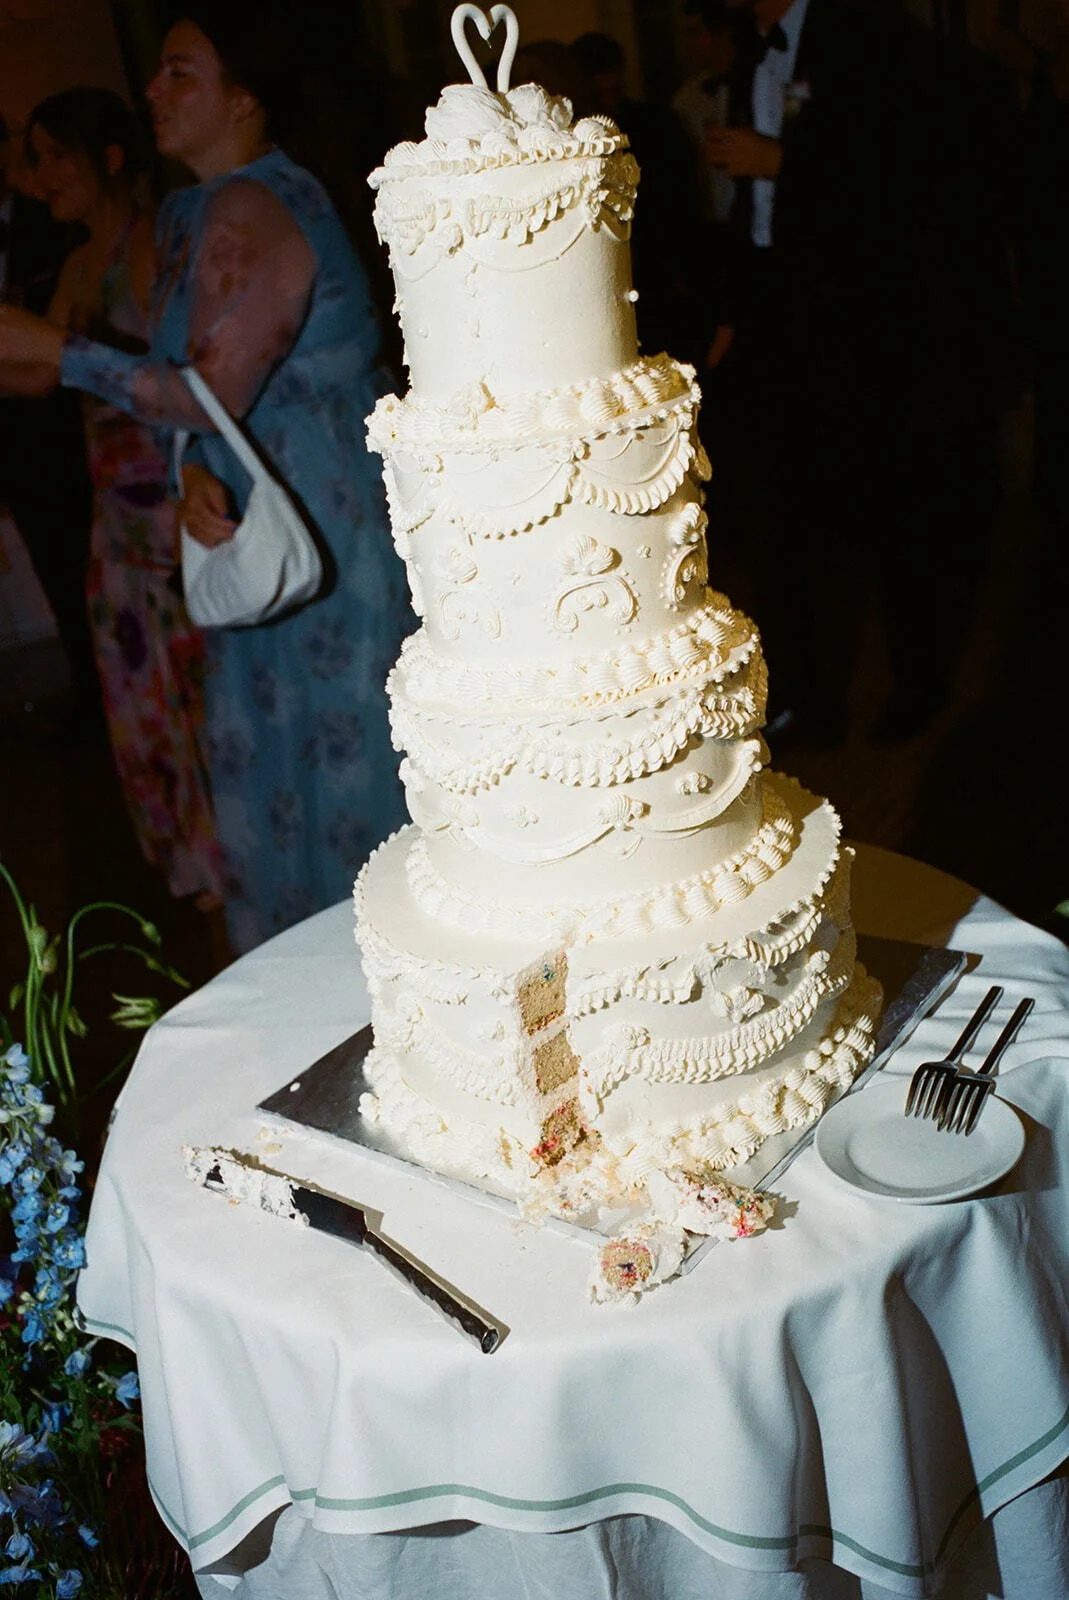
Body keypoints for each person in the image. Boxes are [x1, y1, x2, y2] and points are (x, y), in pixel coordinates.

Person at [0, 2, 413, 955]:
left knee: (346, 785)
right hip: (261, 526)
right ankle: (313, 999)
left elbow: (208, 389)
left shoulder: (258, 206)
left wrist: (61, 352)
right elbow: (208, 398)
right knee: (281, 780)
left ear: (245, 94)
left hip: (324, 533)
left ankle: (380, 993)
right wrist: (195, 470)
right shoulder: (197, 208)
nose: (151, 88)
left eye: (180, 72)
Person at [702, 0, 1018, 747]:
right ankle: (806, 698)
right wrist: (734, 310)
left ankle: (918, 683)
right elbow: (751, 210)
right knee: (791, 522)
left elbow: (913, 178)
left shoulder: (874, 38)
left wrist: (785, 163)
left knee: (898, 512)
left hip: (873, 326)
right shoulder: (750, 56)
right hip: (780, 322)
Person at [5, 87, 223, 911]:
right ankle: (196, 871)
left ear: (109, 158)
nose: (41, 177)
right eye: (36, 160)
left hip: (169, 506)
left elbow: (173, 377)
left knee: (192, 693)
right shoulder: (78, 260)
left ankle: (222, 867)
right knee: (144, 694)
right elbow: (38, 373)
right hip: (116, 519)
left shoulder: (155, 241)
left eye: (55, 156)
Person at [0, 109, 96, 731]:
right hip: (15, 443)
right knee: (53, 572)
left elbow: (53, 362)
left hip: (67, 436)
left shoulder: (59, 229)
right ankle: (93, 697)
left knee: (87, 568)